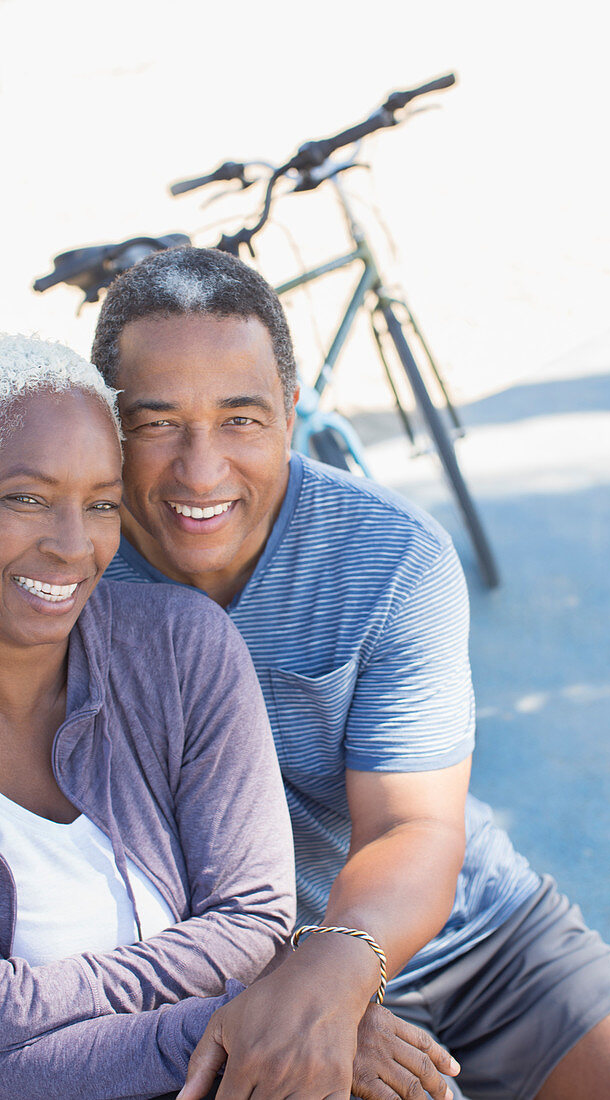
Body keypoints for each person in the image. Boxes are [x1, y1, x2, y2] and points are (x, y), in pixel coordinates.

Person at [95, 246, 610, 1100]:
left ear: (290, 411)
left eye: (241, 418)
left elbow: (410, 827)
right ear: (107, 426)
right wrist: (293, 1000)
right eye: (157, 421)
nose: (200, 469)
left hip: (471, 937)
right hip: (228, 977)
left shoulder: (391, 556)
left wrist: (332, 976)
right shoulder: (65, 580)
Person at [0, 333, 297, 1099]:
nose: (72, 547)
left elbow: (253, 918)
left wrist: (274, 1030)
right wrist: (229, 1031)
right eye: (26, 498)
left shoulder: (175, 645)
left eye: (100, 504)